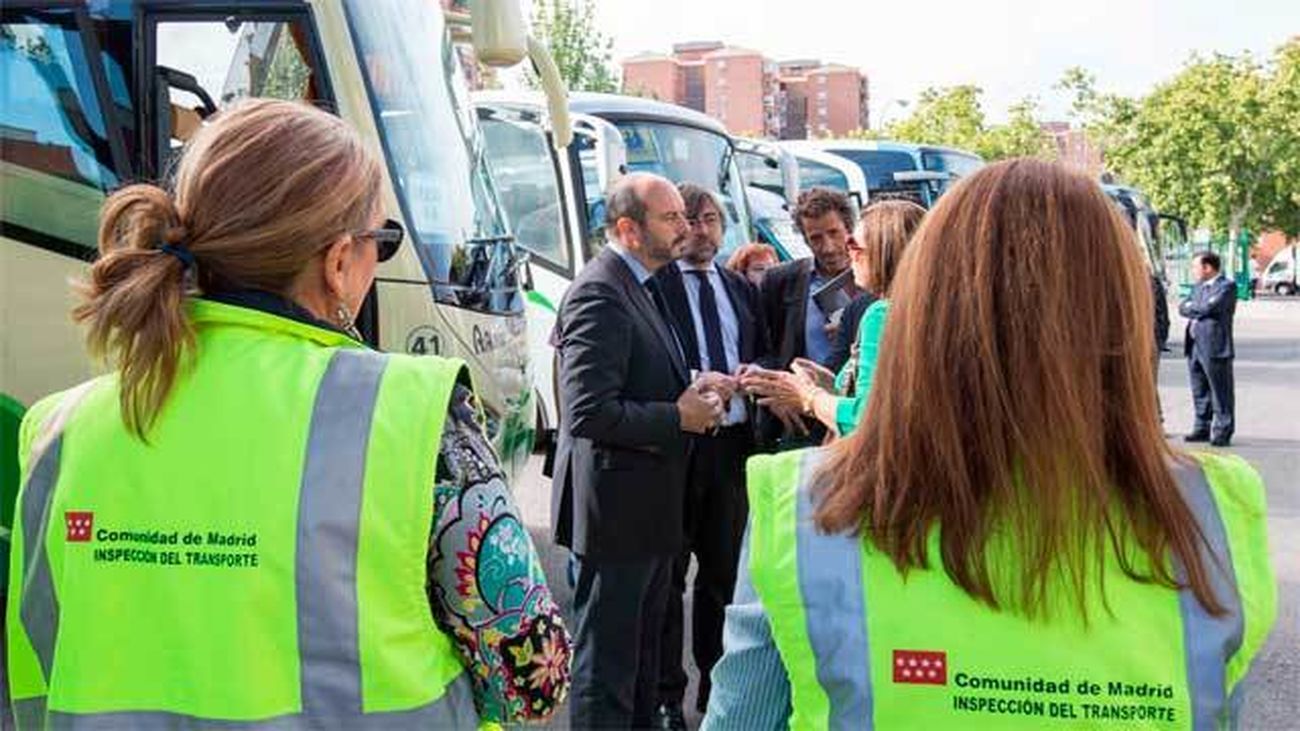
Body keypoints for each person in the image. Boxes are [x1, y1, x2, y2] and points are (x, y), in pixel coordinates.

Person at [6, 99, 569, 727]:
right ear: (336, 262)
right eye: (380, 243)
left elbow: (42, 657)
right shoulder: (416, 416)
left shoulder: (59, 430)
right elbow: (529, 676)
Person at [703, 159, 1276, 729]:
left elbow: (742, 714)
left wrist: (813, 400)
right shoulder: (1212, 510)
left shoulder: (805, 506)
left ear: (924, 312)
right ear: (1120, 316)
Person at [551, 172, 725, 729]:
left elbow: (636, 383)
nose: (686, 228)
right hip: (616, 523)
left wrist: (697, 388)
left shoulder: (642, 284)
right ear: (628, 229)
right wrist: (680, 416)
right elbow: (587, 412)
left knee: (642, 672)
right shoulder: (601, 291)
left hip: (647, 518)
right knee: (608, 676)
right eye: (671, 218)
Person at [652, 184, 768, 728]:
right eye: (691, 220)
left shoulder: (742, 290)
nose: (702, 231)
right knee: (669, 576)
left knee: (723, 578)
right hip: (679, 448)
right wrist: (702, 382)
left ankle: (716, 693)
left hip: (732, 452)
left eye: (712, 220)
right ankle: (667, 698)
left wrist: (753, 375)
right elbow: (653, 368)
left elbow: (762, 349)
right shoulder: (656, 289)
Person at [743, 200, 924, 437]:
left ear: (882, 253)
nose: (832, 248)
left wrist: (809, 397)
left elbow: (866, 419)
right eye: (815, 237)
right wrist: (831, 384)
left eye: (852, 244)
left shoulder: (881, 313)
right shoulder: (927, 307)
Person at [755, 187, 859, 448]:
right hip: (801, 419)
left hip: (857, 415)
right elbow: (765, 348)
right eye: (815, 238)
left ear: (849, 227)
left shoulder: (874, 276)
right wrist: (777, 394)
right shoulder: (781, 281)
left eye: (834, 233)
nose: (828, 247)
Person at [1180, 251, 1237, 447]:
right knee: (1199, 389)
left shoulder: (1226, 287)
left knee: (1220, 391)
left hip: (1215, 346)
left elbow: (1209, 309)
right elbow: (1182, 307)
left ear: (1208, 267)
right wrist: (1197, 306)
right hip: (1194, 344)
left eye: (1196, 266)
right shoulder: (1198, 287)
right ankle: (1201, 427)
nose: (1193, 271)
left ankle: (1223, 430)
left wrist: (1195, 306)